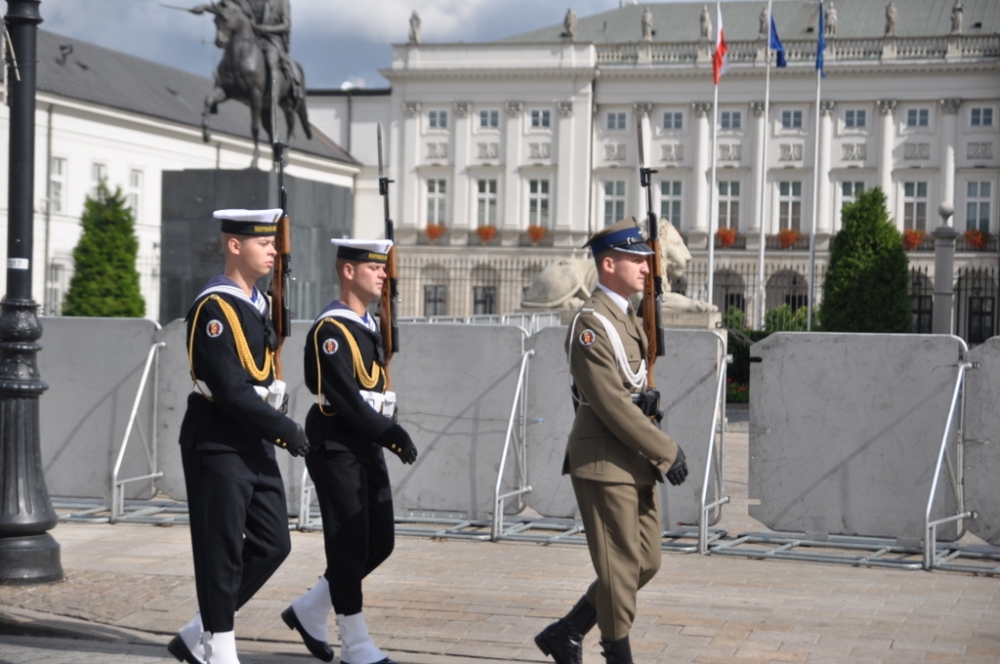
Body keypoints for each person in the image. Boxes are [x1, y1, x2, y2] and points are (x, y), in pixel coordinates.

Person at [534, 218, 688, 664]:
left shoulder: (627, 317)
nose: (646, 266)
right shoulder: (591, 324)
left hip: (633, 457)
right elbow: (611, 404)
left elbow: (634, 388)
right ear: (608, 263)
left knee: (646, 561)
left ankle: (567, 630)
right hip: (603, 459)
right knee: (619, 568)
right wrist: (667, 449)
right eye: (637, 260)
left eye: (646, 258)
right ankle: (617, 655)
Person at [168, 208, 310, 664]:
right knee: (221, 549)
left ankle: (198, 631)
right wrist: (285, 428)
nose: (273, 249)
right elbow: (229, 389)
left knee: (274, 543)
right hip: (219, 441)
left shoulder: (259, 303)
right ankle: (220, 647)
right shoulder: (214, 308)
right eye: (263, 242)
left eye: (274, 242)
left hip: (253, 441)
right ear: (235, 246)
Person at [282, 239, 418, 664]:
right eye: (372, 268)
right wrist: (390, 433)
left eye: (384, 269)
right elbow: (342, 395)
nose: (382, 275)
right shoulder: (331, 330)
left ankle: (310, 608)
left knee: (380, 541)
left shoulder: (368, 325)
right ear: (347, 271)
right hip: (337, 442)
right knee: (347, 544)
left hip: (365, 441)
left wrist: (381, 432)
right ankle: (355, 643)